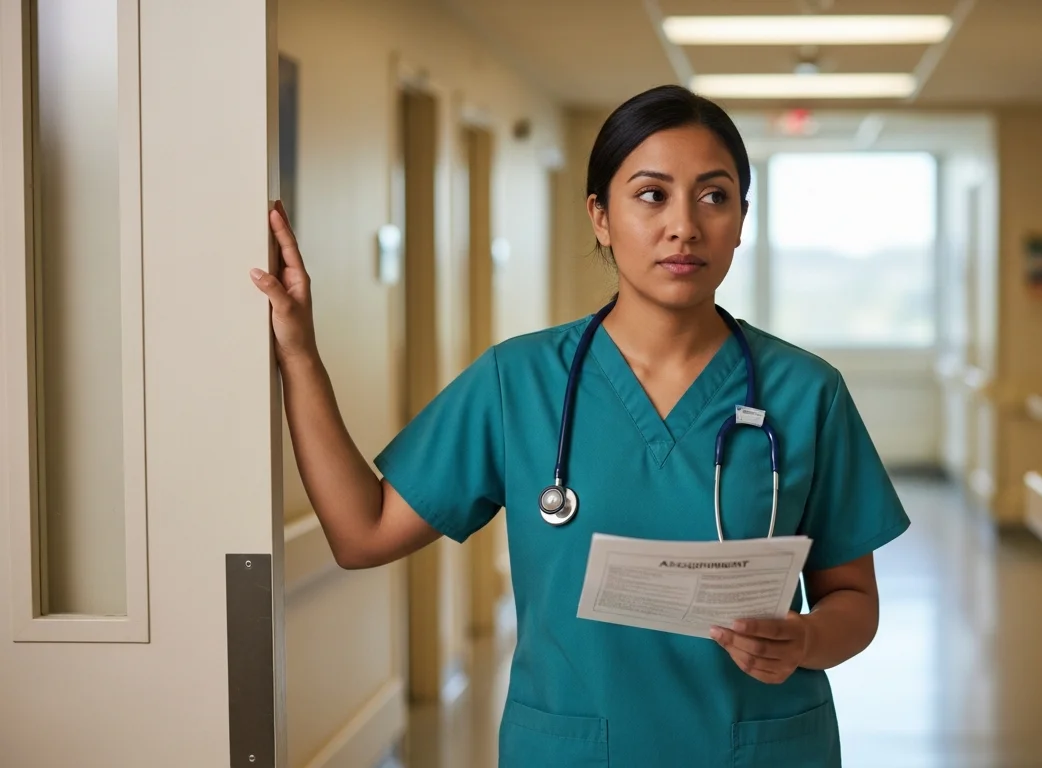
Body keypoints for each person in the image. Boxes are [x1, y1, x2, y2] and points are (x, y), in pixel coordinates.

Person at [250, 83, 910, 767]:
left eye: (713, 196)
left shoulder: (806, 393)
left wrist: (803, 640)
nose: (683, 225)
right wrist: (299, 355)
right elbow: (363, 533)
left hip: (757, 748)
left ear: (742, 219)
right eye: (651, 195)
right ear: (600, 216)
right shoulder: (520, 383)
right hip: (575, 750)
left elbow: (853, 600)